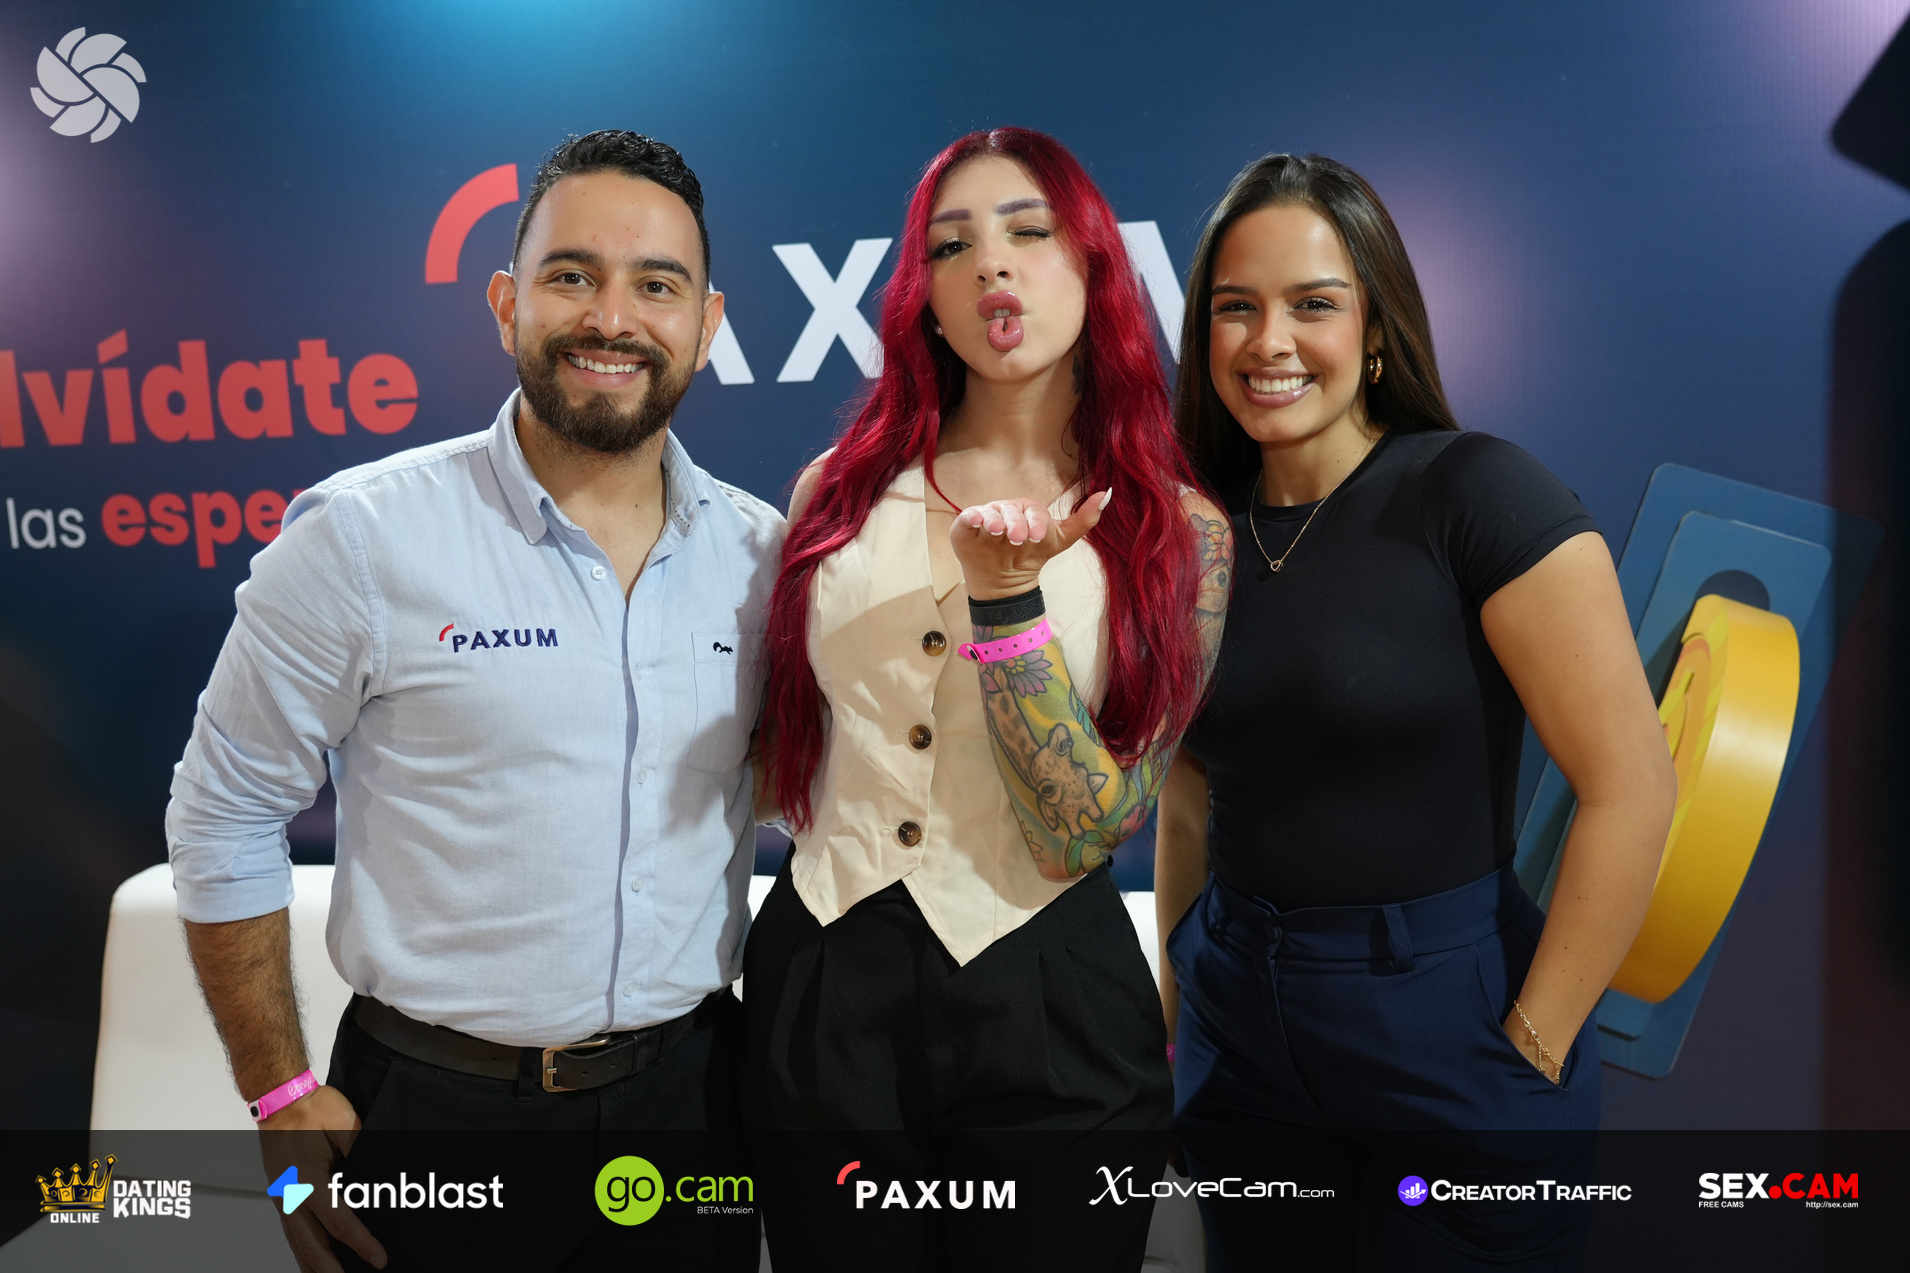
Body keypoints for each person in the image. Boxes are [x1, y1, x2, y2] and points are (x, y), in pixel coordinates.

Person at [166, 131, 779, 1272]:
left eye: (657, 286)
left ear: (707, 324)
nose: (612, 318)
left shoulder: (766, 557)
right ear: (507, 304)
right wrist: (280, 1096)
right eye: (571, 275)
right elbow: (223, 809)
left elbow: (800, 795)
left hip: (692, 1106)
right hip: (428, 1116)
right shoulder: (361, 536)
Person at [1155, 153, 1677, 1269]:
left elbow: (1630, 786)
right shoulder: (1193, 533)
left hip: (1448, 1023)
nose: (1269, 341)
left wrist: (1533, 1042)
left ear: (1377, 329)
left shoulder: (1475, 492)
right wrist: (1177, 994)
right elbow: (1190, 790)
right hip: (1237, 1028)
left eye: (1313, 304)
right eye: (1236, 307)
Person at [741, 127, 1233, 1272]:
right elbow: (775, 761)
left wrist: (1006, 606)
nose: (990, 265)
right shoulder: (833, 494)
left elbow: (1084, 829)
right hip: (822, 983)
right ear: (922, 296)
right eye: (950, 245)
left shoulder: (1176, 531)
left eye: (1027, 230)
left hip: (1049, 1002)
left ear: (1094, 265)